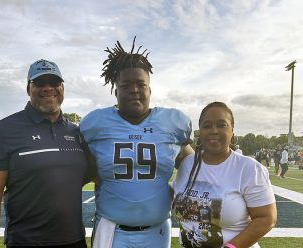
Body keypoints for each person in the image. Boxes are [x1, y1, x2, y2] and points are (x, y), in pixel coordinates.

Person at [79, 37, 194, 248]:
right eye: (126, 85)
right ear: (115, 91)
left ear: (150, 90)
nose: (134, 90)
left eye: (141, 84)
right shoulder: (95, 123)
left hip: (158, 230)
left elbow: (195, 170)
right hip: (112, 229)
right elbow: (80, 168)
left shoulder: (172, 123)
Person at [0, 59, 91, 248]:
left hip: (75, 241)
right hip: (26, 241)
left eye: (54, 82)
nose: (48, 88)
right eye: (40, 83)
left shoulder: (76, 131)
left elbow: (84, 175)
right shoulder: (4, 129)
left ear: (62, 87)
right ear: (28, 88)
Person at [172, 101, 277, 248]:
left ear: (232, 130)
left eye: (222, 125)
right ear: (199, 132)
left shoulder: (249, 168)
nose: (214, 130)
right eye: (207, 126)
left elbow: (266, 218)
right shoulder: (187, 164)